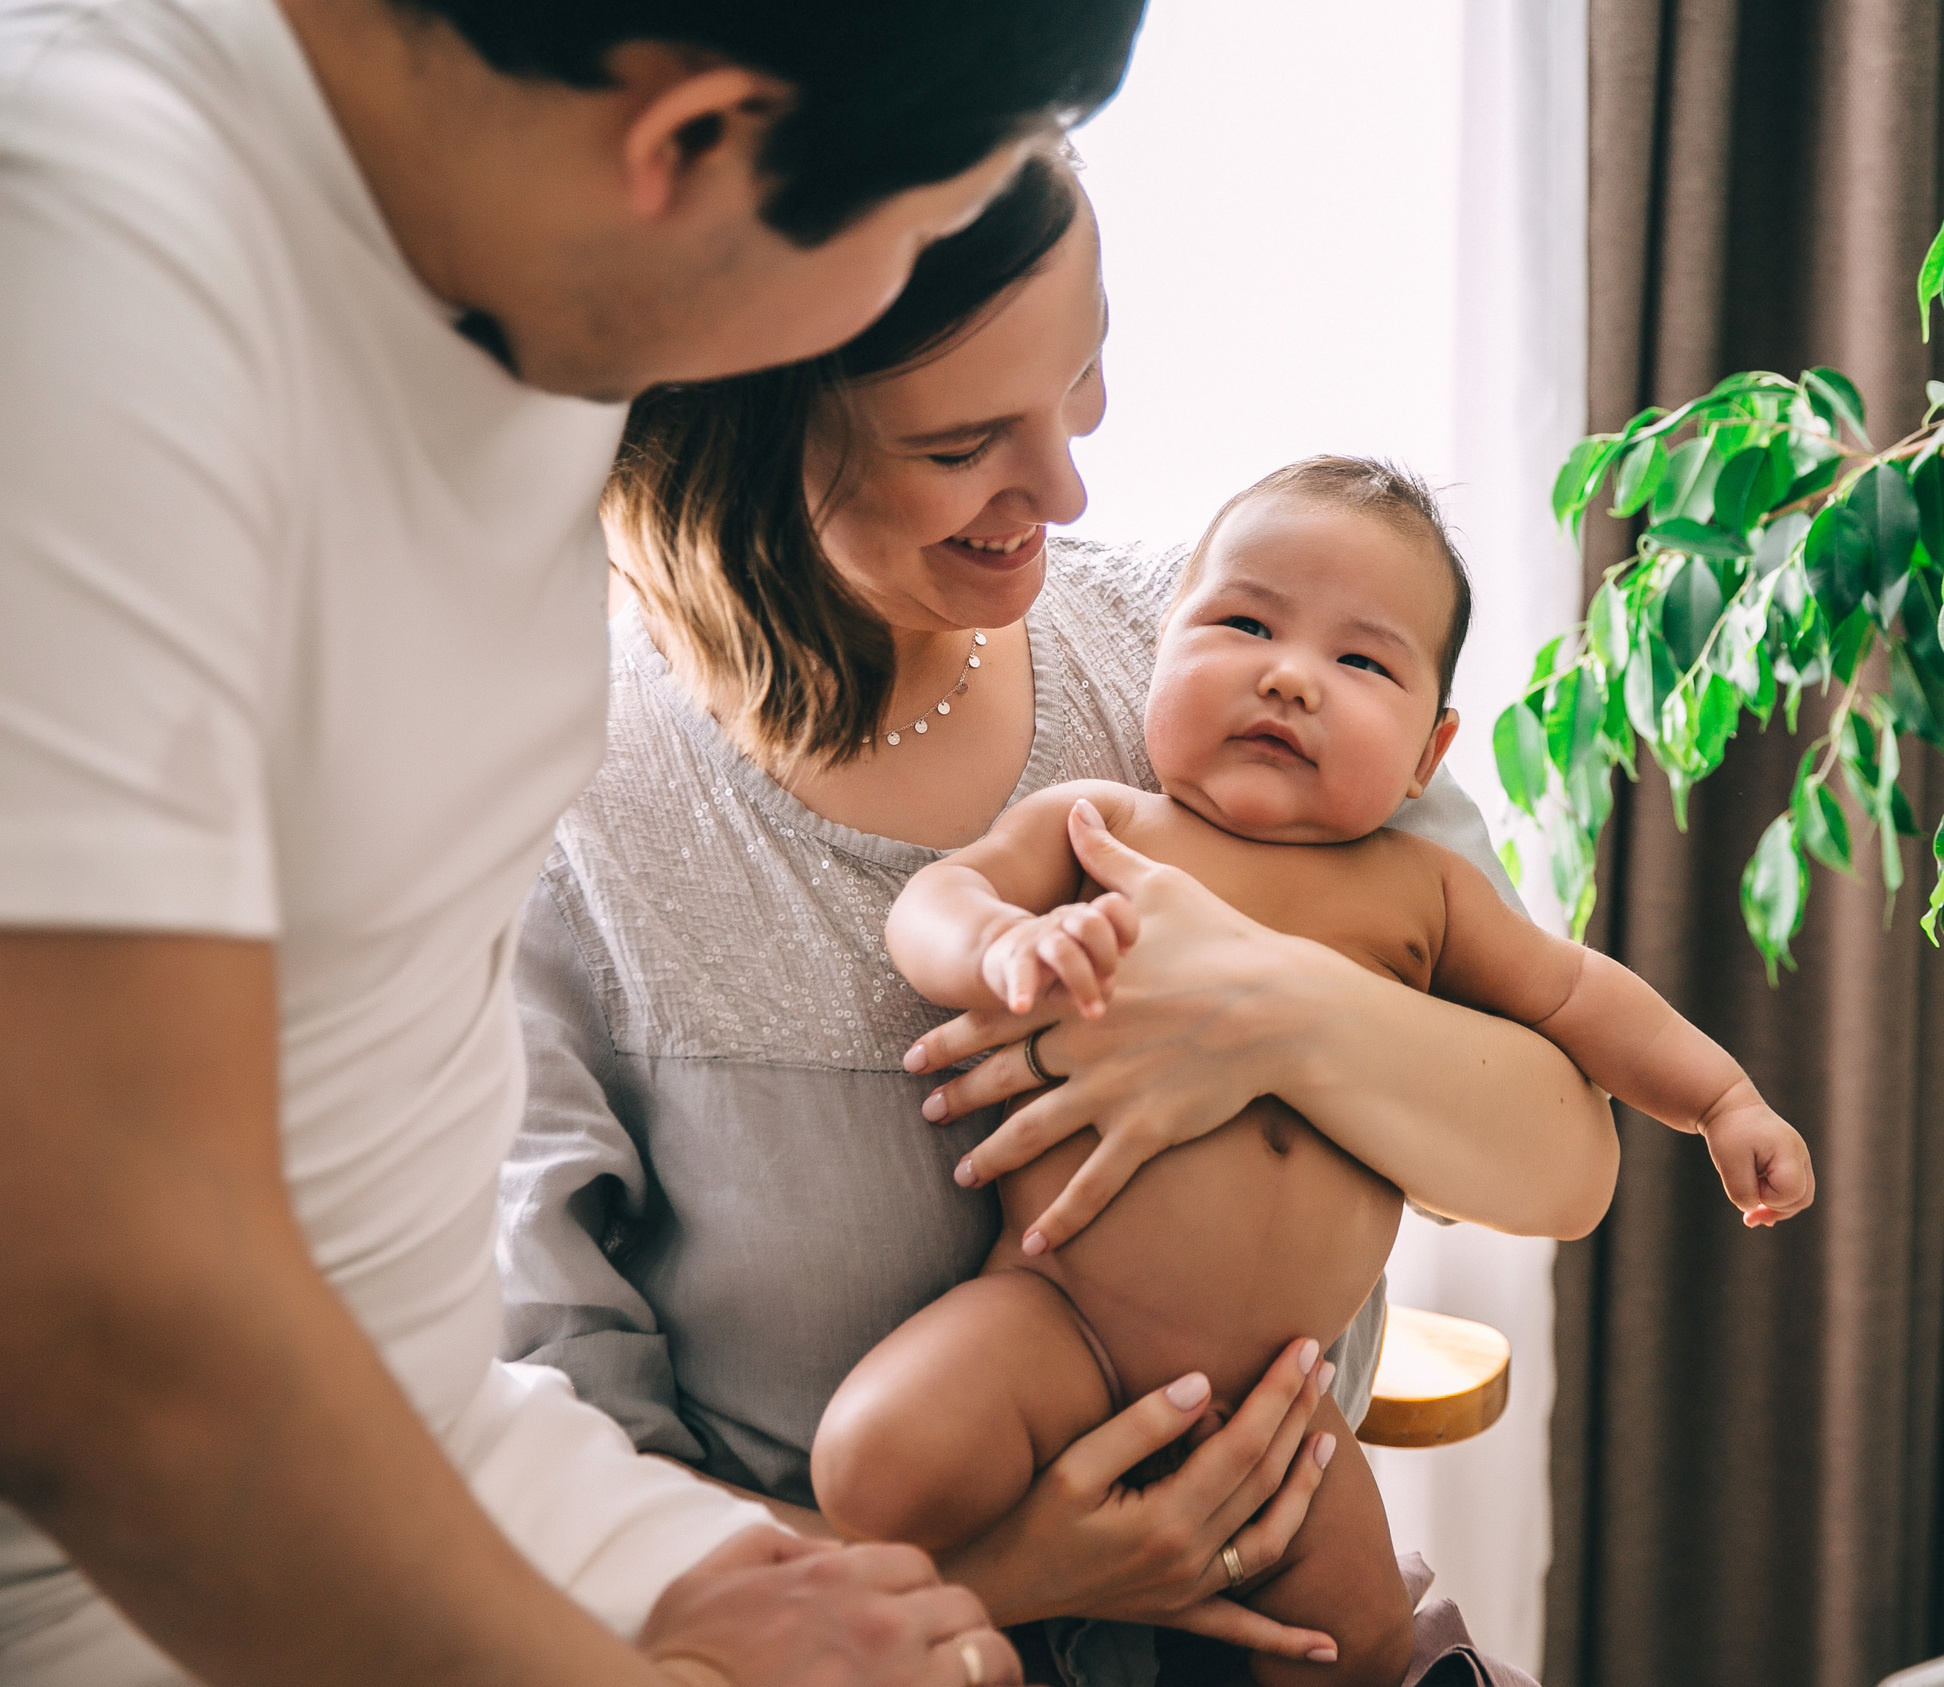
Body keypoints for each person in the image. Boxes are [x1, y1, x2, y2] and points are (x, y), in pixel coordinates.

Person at [0, 0, 1148, 1682]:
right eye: (910, 230)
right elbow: (105, 1345)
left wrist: (637, 1560)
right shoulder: (84, 259)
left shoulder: (539, 272)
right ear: (683, 146)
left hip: (450, 1447)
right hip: (126, 1569)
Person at [499, 165, 1622, 1683]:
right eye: (966, 443)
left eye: (1081, 378)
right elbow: (556, 1450)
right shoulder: (561, 823)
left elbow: (1565, 1152)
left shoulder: (1231, 661)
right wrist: (1014, 1574)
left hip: (1299, 1611)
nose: (1069, 492)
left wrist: (1270, 1008)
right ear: (736, 438)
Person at [820, 455, 1818, 1686]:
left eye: (1361, 662)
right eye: (1241, 625)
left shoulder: (1426, 892)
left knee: (1355, 1643)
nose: (1288, 673)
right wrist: (1004, 943)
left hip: (1281, 1407)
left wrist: (1722, 1099)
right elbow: (939, 896)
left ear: (1424, 754)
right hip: (1060, 1316)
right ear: (1160, 652)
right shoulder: (1105, 827)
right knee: (875, 1460)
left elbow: (1577, 998)